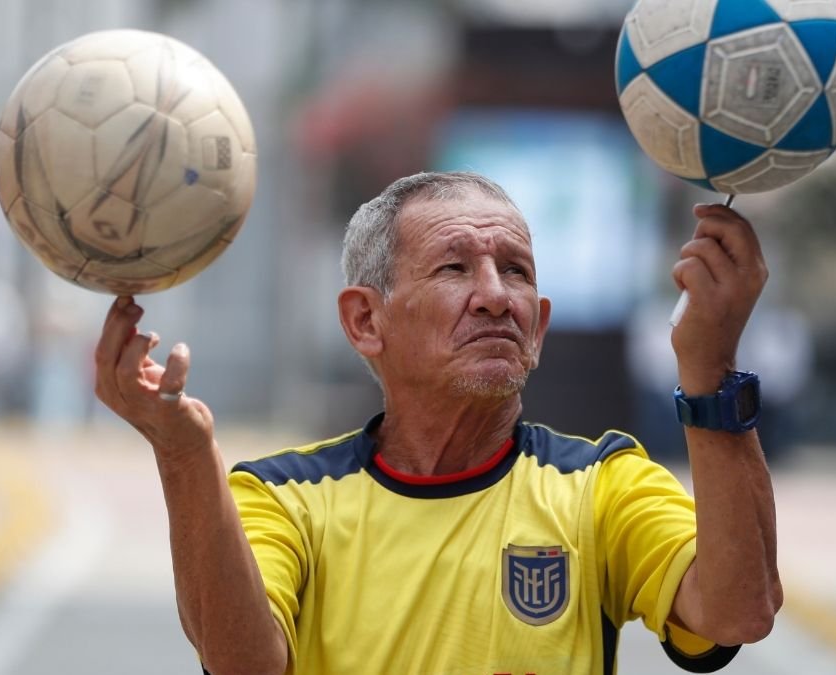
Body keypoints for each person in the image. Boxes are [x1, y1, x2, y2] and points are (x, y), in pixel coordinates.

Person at [94, 171, 781, 675]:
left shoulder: (600, 483)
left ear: (538, 327)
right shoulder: (283, 498)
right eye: (455, 267)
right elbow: (243, 663)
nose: (493, 297)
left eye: (514, 272)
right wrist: (186, 456)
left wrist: (711, 371)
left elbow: (737, 611)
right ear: (366, 320)